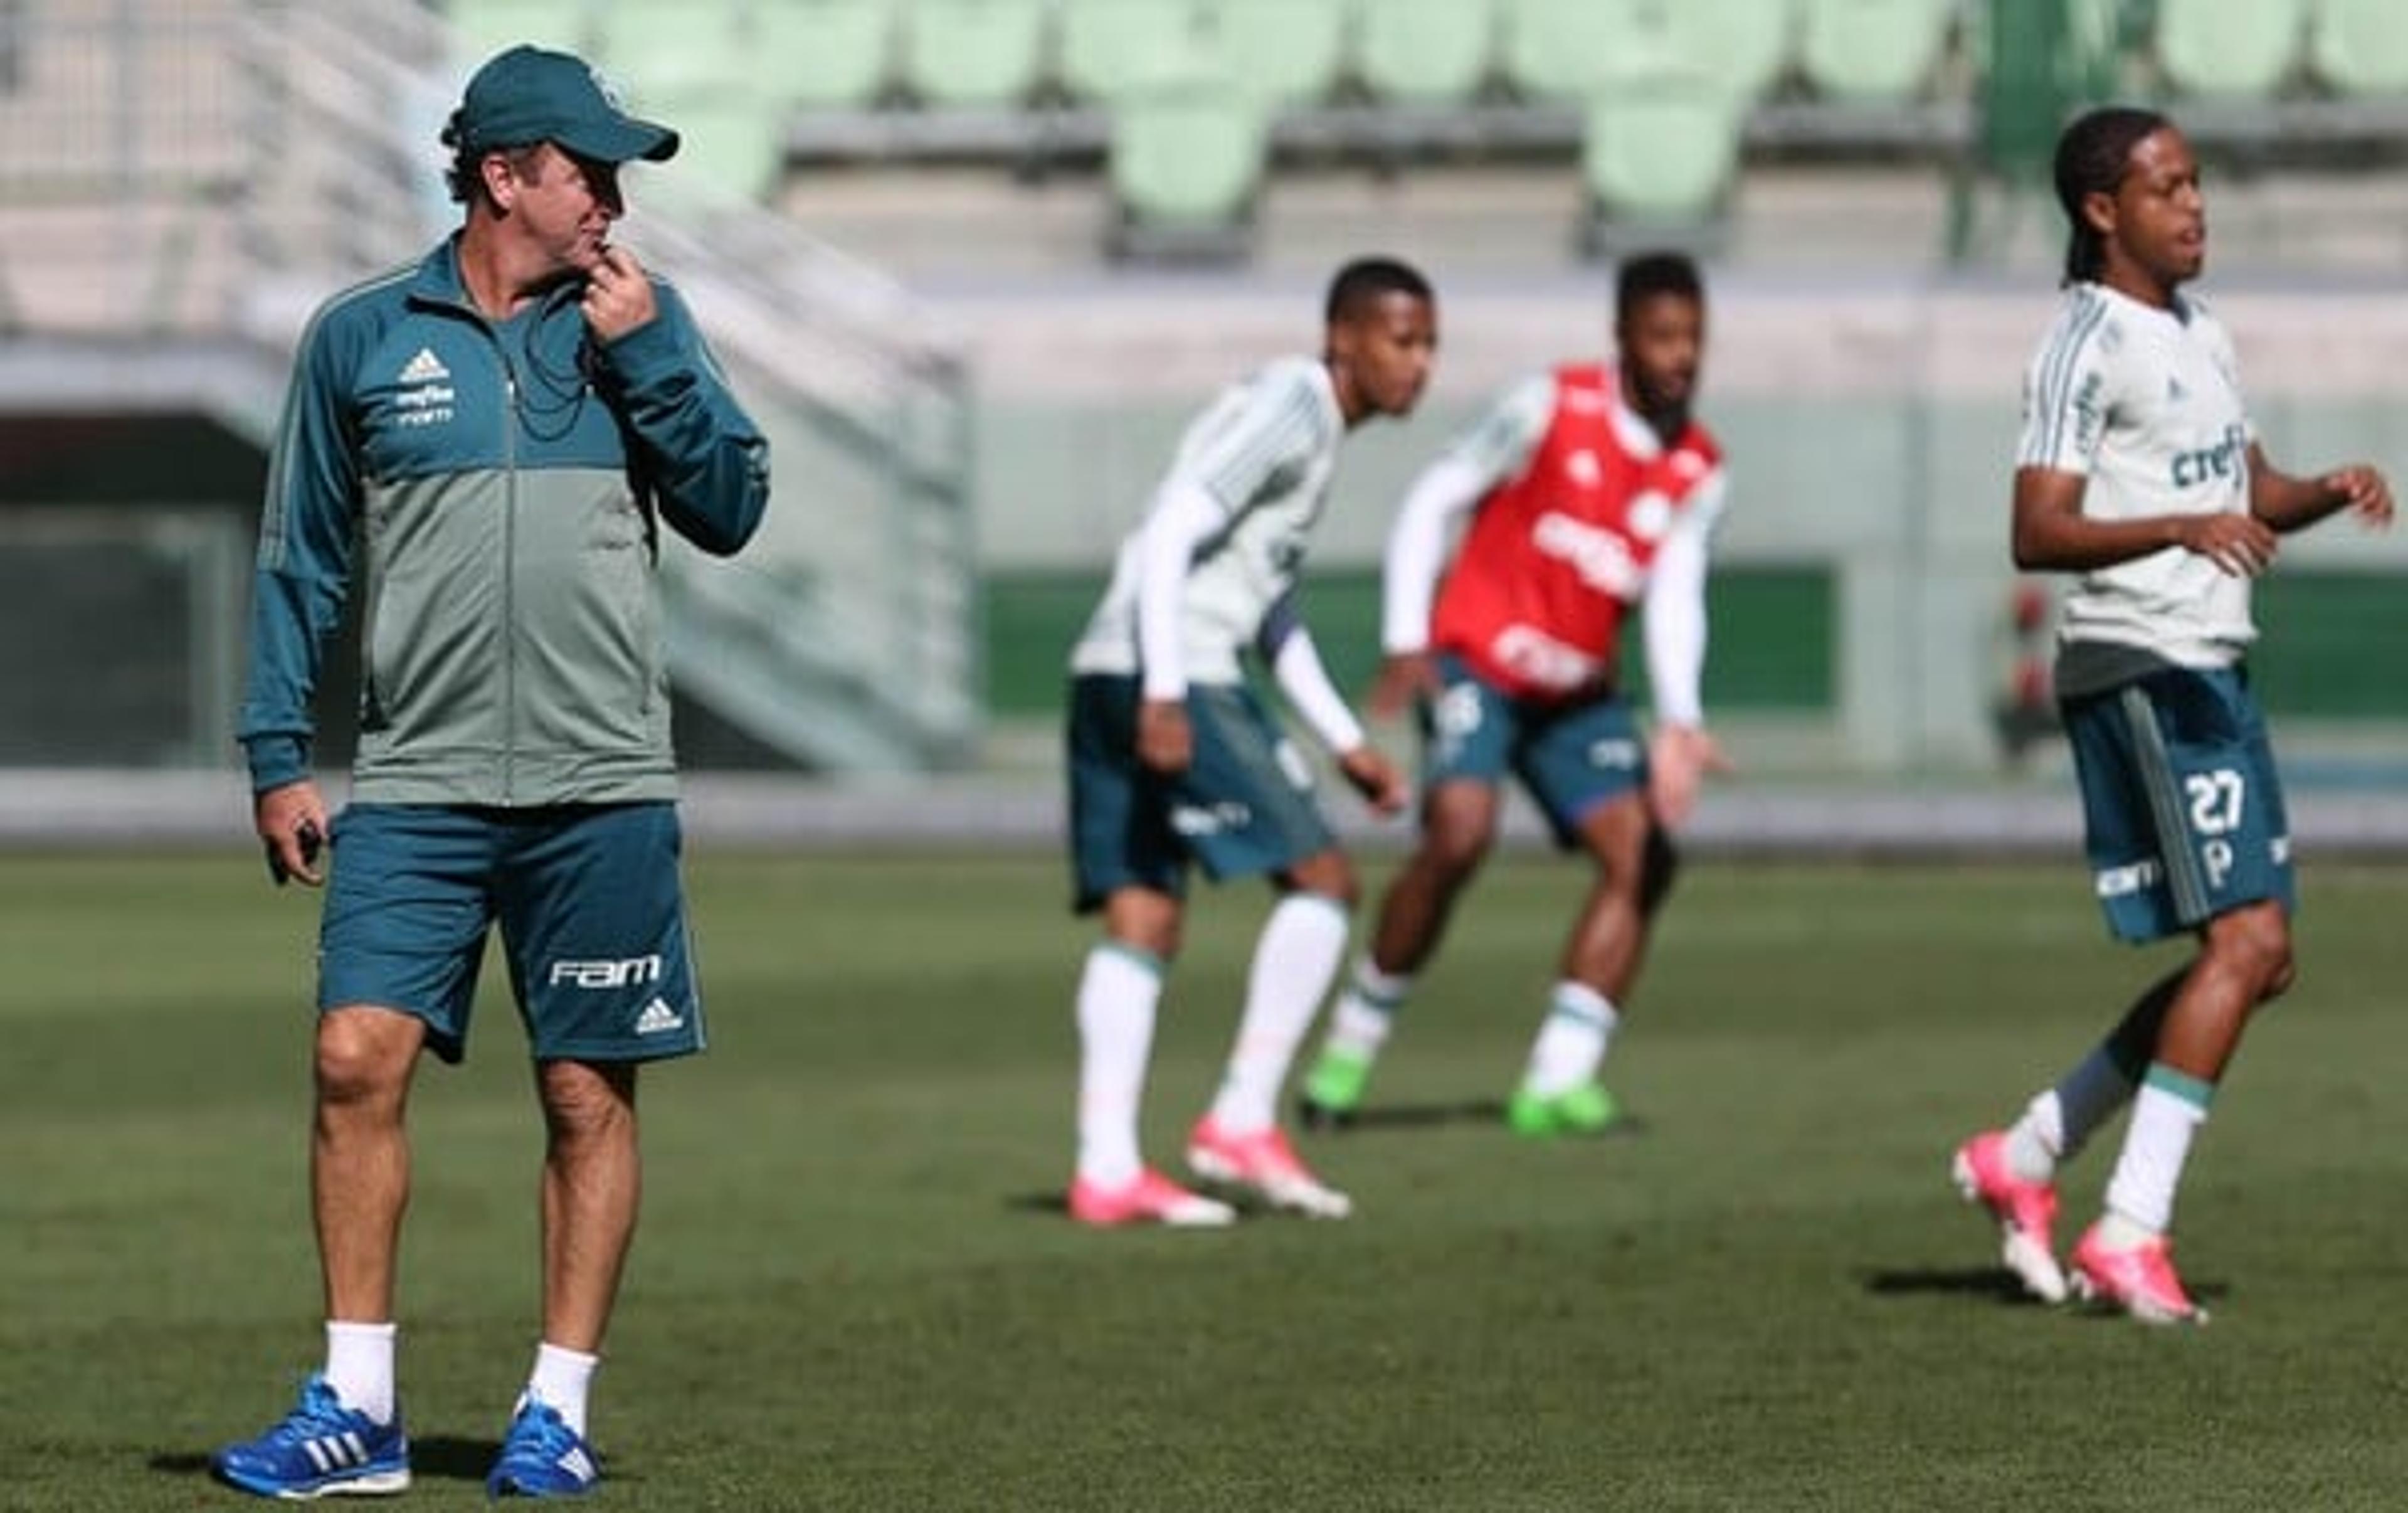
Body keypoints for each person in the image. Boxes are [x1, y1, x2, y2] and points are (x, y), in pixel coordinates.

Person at [211, 46, 769, 1498]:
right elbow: (299, 561)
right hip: (418, 780)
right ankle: (357, 1405)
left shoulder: (646, 320)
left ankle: (558, 1410)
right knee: (352, 1061)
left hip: (604, 783)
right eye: (591, 170)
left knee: (586, 1097)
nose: (614, 198)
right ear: (505, 175)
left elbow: (730, 507)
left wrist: (650, 357)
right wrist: (277, 753)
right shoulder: (358, 336)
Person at [1951, 107, 2391, 1324]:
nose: (2195, 206)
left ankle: (2028, 1155)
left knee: (2261, 959)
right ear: (2103, 211)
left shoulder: (2203, 328)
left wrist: (2320, 489)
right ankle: (2130, 1232)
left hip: (2213, 661)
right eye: (2168, 188)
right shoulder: (2081, 345)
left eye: (2199, 185)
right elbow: (2036, 530)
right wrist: (2178, 529)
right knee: (2243, 946)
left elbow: (2244, 489)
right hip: (2139, 659)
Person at [1297, 252, 1731, 1139]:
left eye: (1692, 339)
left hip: (1576, 695)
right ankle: (1348, 1049)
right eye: (1662, 336)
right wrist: (1406, 636)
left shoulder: (1698, 468)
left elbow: (1677, 597)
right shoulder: (1548, 405)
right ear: (1621, 338)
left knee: (1643, 855)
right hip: (1478, 666)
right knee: (1459, 832)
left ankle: (1557, 1081)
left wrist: (1680, 722)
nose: (1680, 356)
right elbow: (1433, 497)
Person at [1064, 257, 1438, 1226]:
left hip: (1108, 663)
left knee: (1144, 915)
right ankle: (1240, 1117)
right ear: (1343, 338)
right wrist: (1166, 690)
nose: (1420, 363)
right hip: (1173, 669)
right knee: (1324, 883)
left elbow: (1267, 604)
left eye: (1429, 344)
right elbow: (1173, 530)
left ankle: (1106, 1170)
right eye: (1403, 340)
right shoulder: (1296, 404)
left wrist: (1345, 740)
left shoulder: (1297, 425)